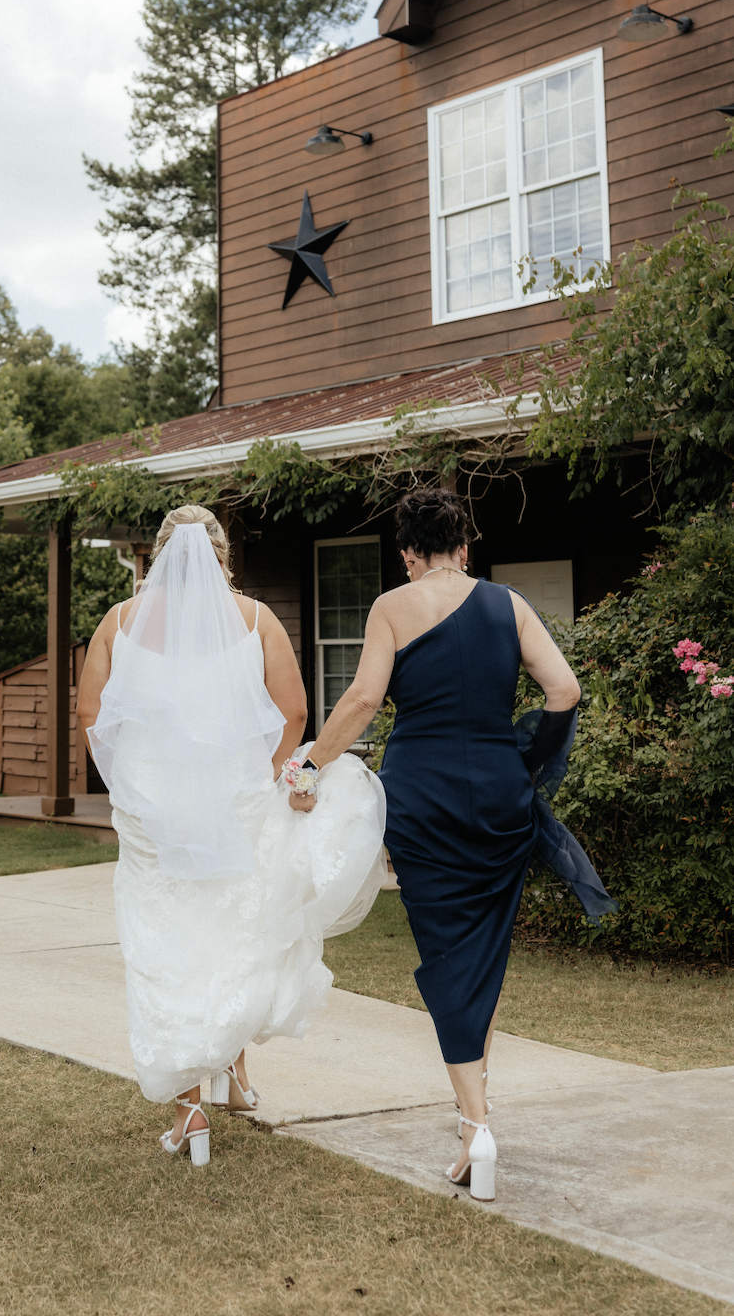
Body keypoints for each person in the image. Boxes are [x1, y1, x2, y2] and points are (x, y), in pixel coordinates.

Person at [290, 488, 612, 1203]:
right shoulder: (511, 605)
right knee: (481, 956)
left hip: (423, 801)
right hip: (499, 799)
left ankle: (476, 1128)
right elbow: (564, 689)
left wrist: (310, 764)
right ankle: (475, 1111)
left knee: (446, 955)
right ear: (465, 547)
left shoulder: (391, 607)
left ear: (407, 554)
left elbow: (365, 700)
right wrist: (524, 757)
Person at [77, 504, 386, 1167]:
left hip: (152, 813)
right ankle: (236, 1080)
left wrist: (136, 777)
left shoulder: (119, 622)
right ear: (223, 555)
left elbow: (90, 713)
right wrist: (270, 775)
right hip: (235, 802)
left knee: (169, 946)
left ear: (156, 555)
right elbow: (295, 709)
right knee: (234, 934)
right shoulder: (255, 619)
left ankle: (193, 1110)